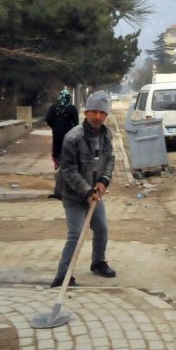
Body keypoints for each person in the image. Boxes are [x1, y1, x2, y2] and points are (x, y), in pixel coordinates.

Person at [50, 90, 116, 288]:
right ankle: (62, 277)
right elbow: (68, 171)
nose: (97, 117)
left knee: (102, 229)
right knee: (76, 234)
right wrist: (87, 191)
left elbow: (110, 160)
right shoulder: (73, 137)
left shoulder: (106, 135)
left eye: (102, 113)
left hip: (94, 193)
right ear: (86, 113)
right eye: (93, 112)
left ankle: (98, 262)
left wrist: (103, 181)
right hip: (73, 194)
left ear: (106, 115)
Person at [45, 89, 79, 170]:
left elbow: (48, 120)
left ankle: (57, 162)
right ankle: (67, 164)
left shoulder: (53, 108)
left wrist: (55, 126)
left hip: (57, 132)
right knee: (68, 147)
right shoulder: (72, 108)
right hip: (69, 133)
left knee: (56, 147)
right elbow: (76, 123)